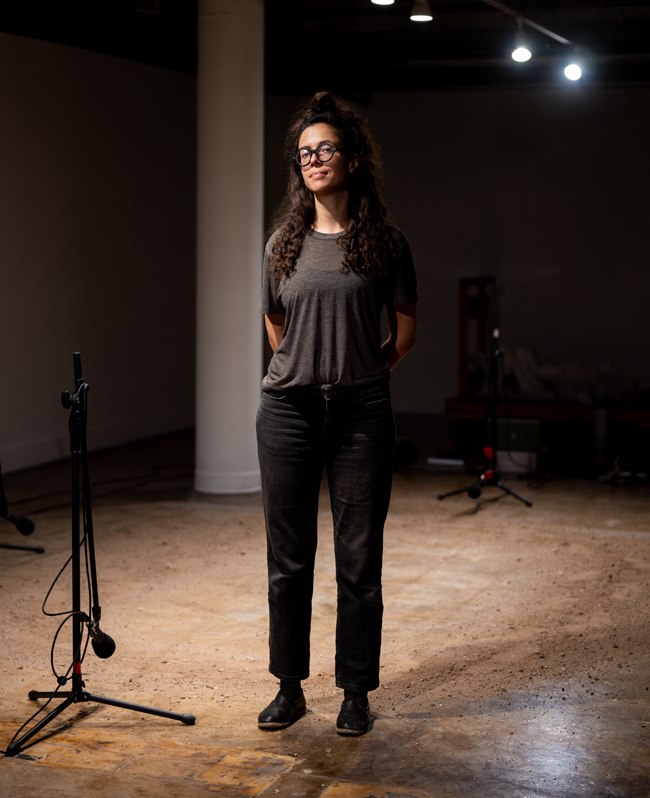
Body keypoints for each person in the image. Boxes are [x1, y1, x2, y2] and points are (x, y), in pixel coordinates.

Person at [256, 92, 417, 736]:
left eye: (326, 150)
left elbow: (404, 335)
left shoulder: (385, 243)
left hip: (361, 415)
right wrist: (303, 369)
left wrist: (358, 373)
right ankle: (288, 686)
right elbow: (275, 324)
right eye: (305, 154)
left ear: (352, 160)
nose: (315, 160)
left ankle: (355, 691)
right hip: (288, 412)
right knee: (288, 559)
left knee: (359, 560)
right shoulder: (281, 245)